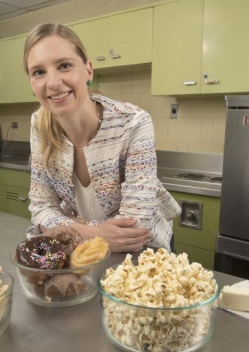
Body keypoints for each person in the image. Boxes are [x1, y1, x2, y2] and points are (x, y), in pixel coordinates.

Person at [23, 23, 181, 252]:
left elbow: (133, 227)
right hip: (87, 249)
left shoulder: (133, 122)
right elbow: (40, 209)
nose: (53, 83)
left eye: (64, 65)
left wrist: (68, 226)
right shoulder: (39, 124)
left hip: (144, 251)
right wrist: (94, 233)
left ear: (88, 70)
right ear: (31, 82)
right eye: (39, 72)